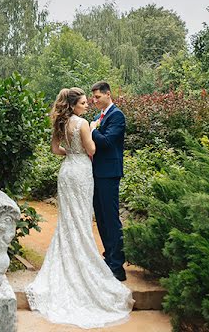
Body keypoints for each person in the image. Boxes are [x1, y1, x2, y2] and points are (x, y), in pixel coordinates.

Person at [25, 87, 134, 328]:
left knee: (68, 220)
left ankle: (108, 261)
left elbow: (55, 150)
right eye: (85, 101)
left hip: (67, 171)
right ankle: (98, 262)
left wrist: (70, 153)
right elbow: (92, 149)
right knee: (82, 220)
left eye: (92, 99)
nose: (89, 104)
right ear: (74, 104)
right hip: (83, 172)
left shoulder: (59, 123)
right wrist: (91, 132)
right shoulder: (84, 123)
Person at [89, 80, 127, 281]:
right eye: (93, 97)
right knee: (101, 218)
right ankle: (108, 257)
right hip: (96, 173)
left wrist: (92, 129)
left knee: (111, 218)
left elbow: (106, 142)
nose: (94, 100)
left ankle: (117, 266)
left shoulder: (117, 116)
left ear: (108, 94)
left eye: (97, 97)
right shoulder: (97, 117)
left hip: (109, 173)